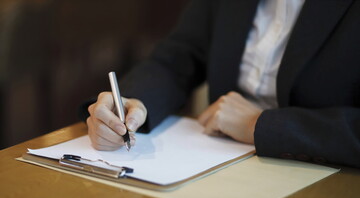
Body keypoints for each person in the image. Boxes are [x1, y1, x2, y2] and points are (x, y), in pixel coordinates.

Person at [82, 0, 360, 168]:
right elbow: (180, 55)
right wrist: (134, 103)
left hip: (323, 176)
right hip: (217, 161)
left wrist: (262, 125)